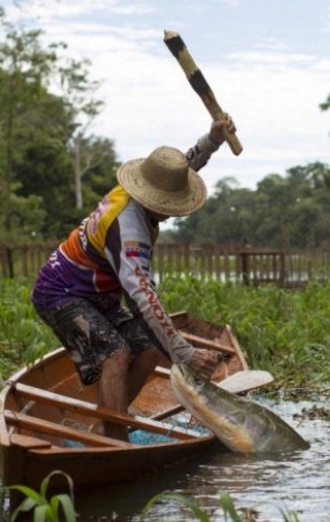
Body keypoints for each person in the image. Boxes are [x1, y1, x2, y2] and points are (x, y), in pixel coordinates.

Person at [31, 116, 236, 440]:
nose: (171, 211)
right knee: (116, 353)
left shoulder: (144, 190)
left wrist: (211, 141)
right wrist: (185, 353)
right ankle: (114, 435)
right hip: (62, 292)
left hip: (98, 294)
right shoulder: (129, 229)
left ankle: (109, 420)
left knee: (152, 346)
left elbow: (180, 170)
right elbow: (143, 298)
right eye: (169, 205)